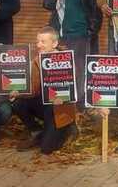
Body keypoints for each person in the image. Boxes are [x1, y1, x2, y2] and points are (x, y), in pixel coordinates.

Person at [45, 0, 101, 97]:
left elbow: (94, 10)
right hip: (60, 34)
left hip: (80, 35)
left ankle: (80, 103)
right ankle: (63, 100)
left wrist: (90, 32)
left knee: (80, 71)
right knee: (62, 70)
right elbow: (47, 5)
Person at [13, 27, 78, 155]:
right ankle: (36, 131)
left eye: (43, 42)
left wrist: (64, 97)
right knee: (19, 103)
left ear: (54, 44)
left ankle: (69, 127)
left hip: (61, 107)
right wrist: (17, 92)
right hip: (44, 103)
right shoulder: (37, 60)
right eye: (38, 42)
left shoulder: (66, 59)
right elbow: (34, 90)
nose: (39, 45)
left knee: (46, 149)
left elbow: (76, 88)